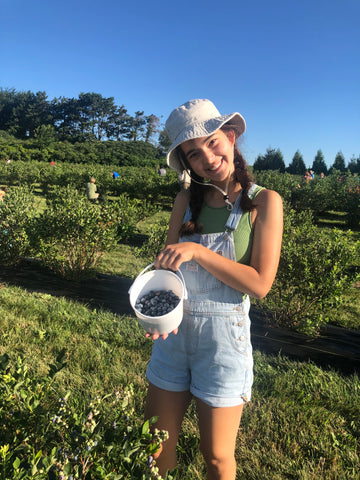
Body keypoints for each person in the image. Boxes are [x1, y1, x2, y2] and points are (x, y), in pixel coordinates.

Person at [144, 99, 283, 479]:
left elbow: (260, 284)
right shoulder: (185, 202)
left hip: (225, 342)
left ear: (231, 137)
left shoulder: (263, 202)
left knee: (217, 457)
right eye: (193, 152)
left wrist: (197, 253)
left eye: (212, 142)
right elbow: (167, 272)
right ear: (187, 162)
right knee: (155, 447)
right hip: (174, 339)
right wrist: (159, 314)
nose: (206, 156)